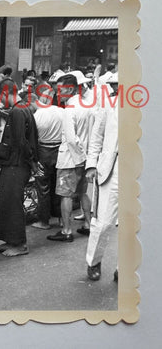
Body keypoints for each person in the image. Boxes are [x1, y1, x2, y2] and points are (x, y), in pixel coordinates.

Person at [0, 79, 39, 257]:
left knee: (13, 203)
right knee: (7, 201)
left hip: (17, 164)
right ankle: (11, 239)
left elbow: (21, 141)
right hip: (15, 163)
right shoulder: (22, 108)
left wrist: (32, 162)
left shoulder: (18, 111)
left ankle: (20, 244)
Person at [47, 73, 94, 242]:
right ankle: (88, 224)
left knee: (65, 195)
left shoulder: (69, 110)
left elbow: (72, 139)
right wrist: (85, 159)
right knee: (82, 193)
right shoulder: (87, 106)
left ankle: (67, 230)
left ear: (71, 89)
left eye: (61, 90)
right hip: (84, 158)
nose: (58, 93)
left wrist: (79, 158)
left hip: (70, 159)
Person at [85, 73, 119, 281]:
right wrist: (91, 164)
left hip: (138, 172)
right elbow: (97, 135)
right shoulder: (109, 105)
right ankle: (94, 261)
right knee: (103, 222)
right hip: (110, 170)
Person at [31, 87, 63, 230]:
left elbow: (32, 138)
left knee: (42, 187)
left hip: (43, 153)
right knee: (60, 187)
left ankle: (44, 221)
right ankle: (62, 219)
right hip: (60, 153)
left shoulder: (37, 116)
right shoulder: (61, 112)